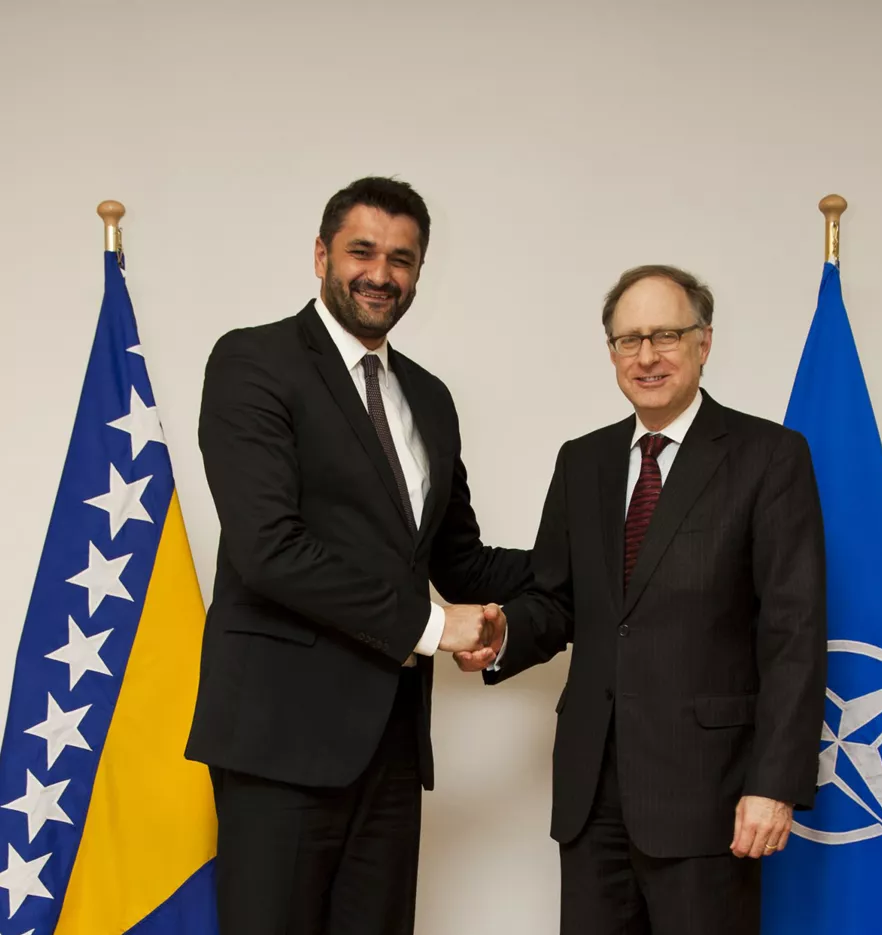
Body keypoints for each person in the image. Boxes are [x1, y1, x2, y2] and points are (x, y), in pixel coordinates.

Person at [186, 176, 531, 935]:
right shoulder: (253, 361)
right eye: (362, 251)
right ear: (321, 255)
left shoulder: (429, 398)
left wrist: (599, 553)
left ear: (419, 273)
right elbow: (269, 549)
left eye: (401, 259)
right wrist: (433, 627)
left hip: (392, 746)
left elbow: (461, 562)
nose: (381, 273)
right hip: (278, 740)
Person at [457, 265, 827, 935]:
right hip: (592, 794)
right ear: (611, 353)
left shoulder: (770, 456)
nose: (646, 355)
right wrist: (504, 634)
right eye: (629, 339)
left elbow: (794, 634)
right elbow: (559, 599)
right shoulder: (582, 461)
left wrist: (774, 784)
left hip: (712, 795)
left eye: (665, 335)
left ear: (704, 341)